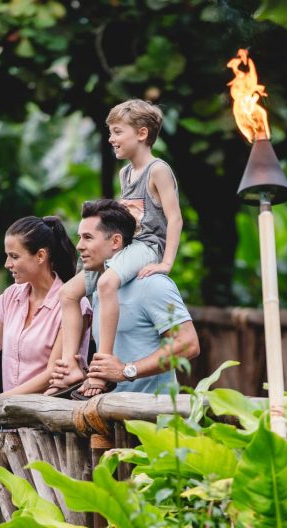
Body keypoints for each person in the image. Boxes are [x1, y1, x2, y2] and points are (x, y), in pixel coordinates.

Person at [54, 99, 184, 397]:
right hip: (127, 247)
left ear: (141, 133)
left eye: (117, 132)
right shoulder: (125, 174)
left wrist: (166, 262)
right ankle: (70, 365)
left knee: (108, 282)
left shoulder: (157, 170)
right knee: (68, 292)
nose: (111, 139)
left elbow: (175, 219)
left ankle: (103, 366)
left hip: (148, 245)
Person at [51, 199, 199, 397]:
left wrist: (128, 370)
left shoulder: (152, 284)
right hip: (106, 417)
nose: (79, 246)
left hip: (151, 421)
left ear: (115, 242)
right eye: (80, 237)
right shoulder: (99, 288)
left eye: (88, 238)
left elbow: (188, 344)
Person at [0, 215, 89, 399]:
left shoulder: (73, 304)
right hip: (9, 418)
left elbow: (53, 373)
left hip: (49, 416)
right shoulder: (11, 296)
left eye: (14, 256)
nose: (7, 264)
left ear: (41, 256)